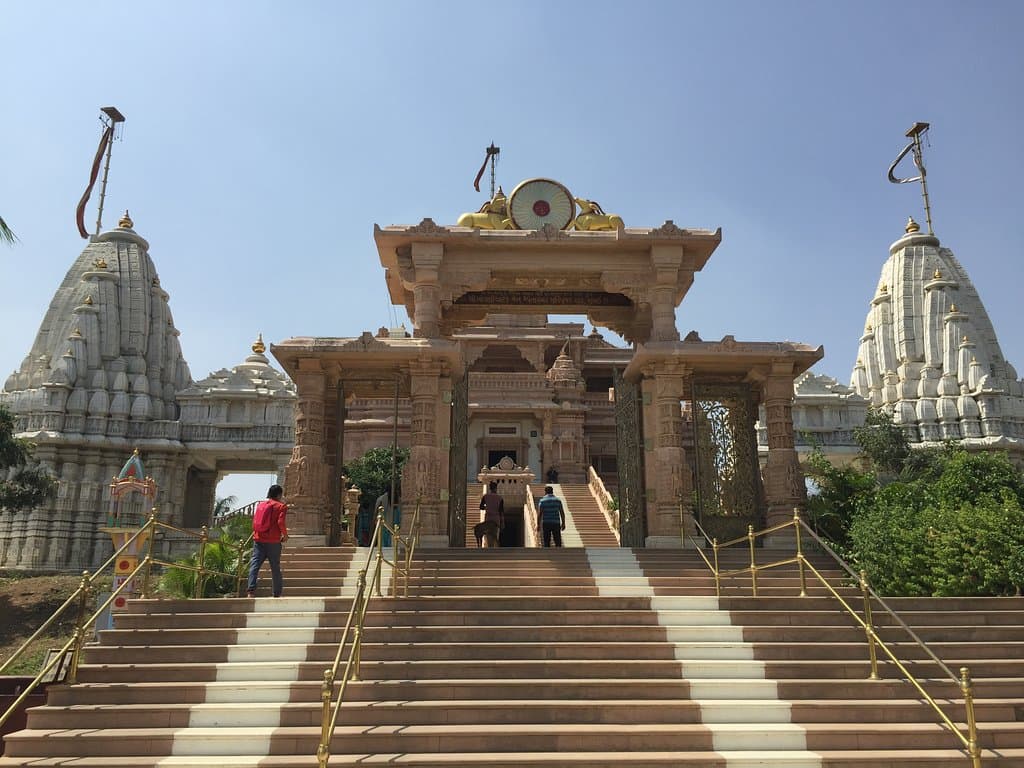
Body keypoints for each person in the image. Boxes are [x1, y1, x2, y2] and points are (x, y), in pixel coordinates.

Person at [247, 484, 288, 597]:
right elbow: (280, 522)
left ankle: (250, 591)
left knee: (255, 565)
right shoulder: (281, 506)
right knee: (275, 567)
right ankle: (277, 593)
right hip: (273, 541)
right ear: (279, 494)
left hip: (259, 539)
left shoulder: (261, 505)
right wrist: (285, 535)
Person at [474, 481, 504, 548]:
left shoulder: (485, 497)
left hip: (488, 519)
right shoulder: (500, 498)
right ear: (496, 488)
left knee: (488, 536)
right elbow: (501, 511)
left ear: (490, 489)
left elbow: (481, 507)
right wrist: (502, 523)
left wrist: (487, 507)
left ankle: (490, 549)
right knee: (495, 537)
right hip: (496, 520)